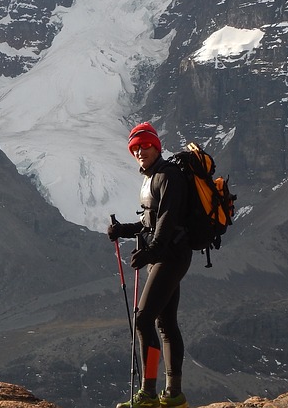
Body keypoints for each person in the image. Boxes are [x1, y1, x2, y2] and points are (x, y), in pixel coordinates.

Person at [108, 122, 192, 408]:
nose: (140, 151)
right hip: (168, 255)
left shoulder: (169, 176)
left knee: (143, 320)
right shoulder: (152, 177)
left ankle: (149, 393)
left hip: (169, 257)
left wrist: (151, 252)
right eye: (135, 148)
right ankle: (174, 395)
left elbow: (167, 221)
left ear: (156, 145)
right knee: (165, 323)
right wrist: (124, 230)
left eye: (144, 145)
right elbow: (151, 222)